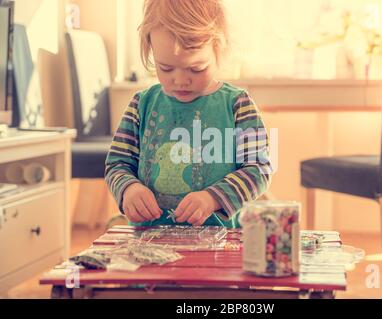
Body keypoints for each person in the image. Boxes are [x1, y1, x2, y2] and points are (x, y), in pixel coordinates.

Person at [105, 0, 273, 228]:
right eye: (165, 68)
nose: (180, 80)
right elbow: (117, 164)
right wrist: (128, 189)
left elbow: (259, 168)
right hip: (150, 242)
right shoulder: (141, 105)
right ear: (151, 51)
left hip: (221, 244)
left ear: (219, 51)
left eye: (196, 68)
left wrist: (212, 198)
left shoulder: (237, 104)